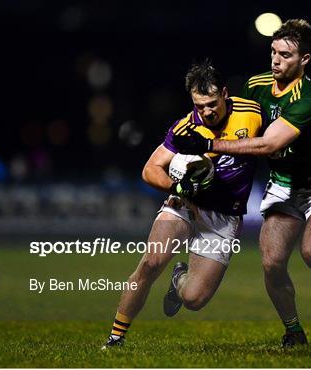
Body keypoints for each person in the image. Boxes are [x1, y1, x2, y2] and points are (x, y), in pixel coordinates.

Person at [172, 19, 311, 347]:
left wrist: (208, 147)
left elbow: (268, 144)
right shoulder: (256, 85)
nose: (275, 60)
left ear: (305, 60)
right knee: (272, 262)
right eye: (273, 52)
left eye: (285, 55)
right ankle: (294, 330)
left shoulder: (308, 99)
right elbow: (236, 126)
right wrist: (198, 163)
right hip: (283, 184)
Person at [102, 60, 265, 349]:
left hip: (224, 217)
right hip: (184, 204)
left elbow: (275, 141)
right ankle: (115, 338)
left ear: (225, 94)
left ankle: (179, 279)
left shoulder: (252, 112)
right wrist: (177, 186)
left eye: (212, 104)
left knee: (194, 299)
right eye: (199, 105)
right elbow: (149, 169)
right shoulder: (185, 129)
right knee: (150, 263)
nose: (206, 112)